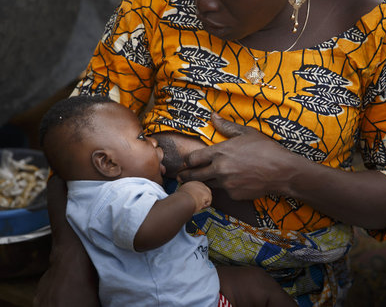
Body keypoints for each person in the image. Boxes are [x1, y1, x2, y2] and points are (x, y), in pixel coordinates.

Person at [35, 0, 386, 306]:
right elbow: (74, 137)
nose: (202, 1)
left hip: (284, 289)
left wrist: (289, 174)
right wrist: (69, 262)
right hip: (135, 276)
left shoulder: (382, 35)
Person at [38, 95, 297, 307]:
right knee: (258, 288)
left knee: (252, 282)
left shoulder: (80, 198)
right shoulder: (121, 193)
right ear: (107, 163)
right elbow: (145, 232)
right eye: (141, 137)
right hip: (181, 301)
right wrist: (188, 198)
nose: (153, 142)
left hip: (177, 291)